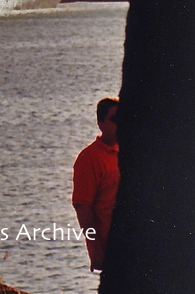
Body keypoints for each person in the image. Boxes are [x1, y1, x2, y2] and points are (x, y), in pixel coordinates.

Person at [72, 97, 119, 272]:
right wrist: (95, 252)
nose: (120, 124)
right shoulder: (90, 158)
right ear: (100, 123)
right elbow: (82, 206)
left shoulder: (128, 152)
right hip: (110, 249)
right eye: (114, 119)